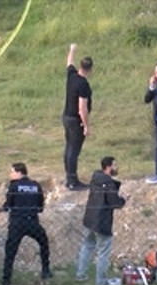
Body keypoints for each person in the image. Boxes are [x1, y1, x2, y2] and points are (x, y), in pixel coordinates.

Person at [76, 156, 127, 285]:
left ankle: (80, 274)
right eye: (115, 165)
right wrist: (123, 200)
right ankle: (101, 282)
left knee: (87, 245)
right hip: (102, 222)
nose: (117, 167)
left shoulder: (95, 179)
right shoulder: (108, 184)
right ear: (109, 167)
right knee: (103, 252)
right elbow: (114, 202)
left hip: (90, 219)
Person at [1, 163, 51, 285]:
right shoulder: (35, 185)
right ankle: (45, 269)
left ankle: (6, 281)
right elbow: (40, 206)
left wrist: (3, 208)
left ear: (19, 173)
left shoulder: (14, 186)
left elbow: (8, 205)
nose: (10, 174)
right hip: (33, 222)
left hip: (17, 222)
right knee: (43, 242)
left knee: (10, 252)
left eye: (12, 172)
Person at [62, 44, 93, 191]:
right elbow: (82, 108)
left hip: (66, 117)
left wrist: (72, 50)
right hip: (76, 121)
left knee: (68, 147)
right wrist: (86, 125)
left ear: (80, 66)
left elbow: (69, 63)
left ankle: (68, 177)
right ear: (90, 69)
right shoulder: (83, 84)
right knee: (74, 150)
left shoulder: (72, 76)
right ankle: (73, 181)